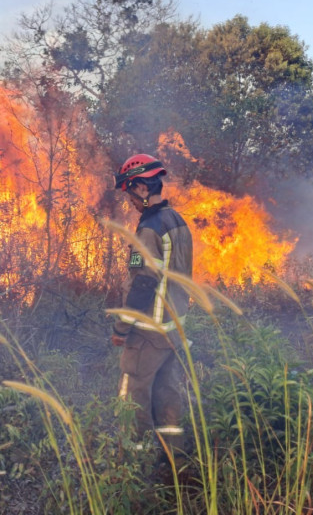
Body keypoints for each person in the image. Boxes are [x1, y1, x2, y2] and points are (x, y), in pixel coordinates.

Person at [111, 153, 193, 455]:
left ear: (143, 188)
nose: (130, 200)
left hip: (147, 331)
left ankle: (135, 460)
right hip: (174, 330)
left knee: (133, 397)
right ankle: (175, 460)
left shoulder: (149, 229)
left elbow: (142, 281)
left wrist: (122, 326)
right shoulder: (177, 222)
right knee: (168, 395)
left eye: (130, 192)